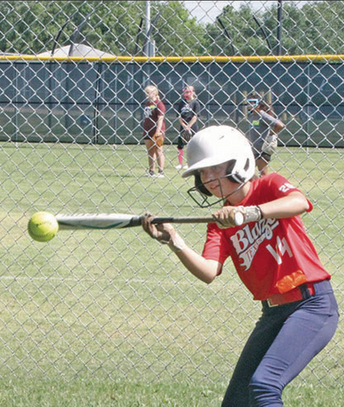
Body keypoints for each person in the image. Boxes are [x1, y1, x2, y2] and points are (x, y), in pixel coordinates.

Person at [141, 125, 338, 407]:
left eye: (214, 168)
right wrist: (174, 240)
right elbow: (209, 271)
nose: (207, 179)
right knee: (236, 401)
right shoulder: (219, 222)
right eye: (202, 172)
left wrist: (250, 213)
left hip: (311, 304)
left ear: (239, 162)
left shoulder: (268, 187)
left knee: (264, 386)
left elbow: (299, 201)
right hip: (273, 313)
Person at [246, 92, 285, 177]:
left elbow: (280, 125)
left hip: (262, 149)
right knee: (248, 172)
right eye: (248, 102)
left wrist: (271, 134)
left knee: (263, 173)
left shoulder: (262, 115)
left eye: (252, 102)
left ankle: (264, 188)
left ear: (258, 104)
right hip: (254, 149)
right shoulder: (252, 116)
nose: (249, 104)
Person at [142, 84, 166, 177]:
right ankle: (151, 171)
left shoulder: (159, 104)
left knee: (158, 150)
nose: (147, 94)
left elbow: (160, 118)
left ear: (154, 93)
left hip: (156, 130)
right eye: (146, 93)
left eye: (148, 93)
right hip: (147, 130)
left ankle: (161, 171)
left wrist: (158, 132)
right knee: (150, 151)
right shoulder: (148, 104)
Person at [174, 85, 201, 170]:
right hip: (183, 126)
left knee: (191, 145)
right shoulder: (182, 102)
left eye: (188, 92)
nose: (186, 94)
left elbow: (195, 116)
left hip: (192, 126)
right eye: (185, 92)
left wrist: (189, 126)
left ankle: (189, 163)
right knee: (180, 145)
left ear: (192, 92)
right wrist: (184, 125)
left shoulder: (195, 103)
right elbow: (179, 116)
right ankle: (180, 163)